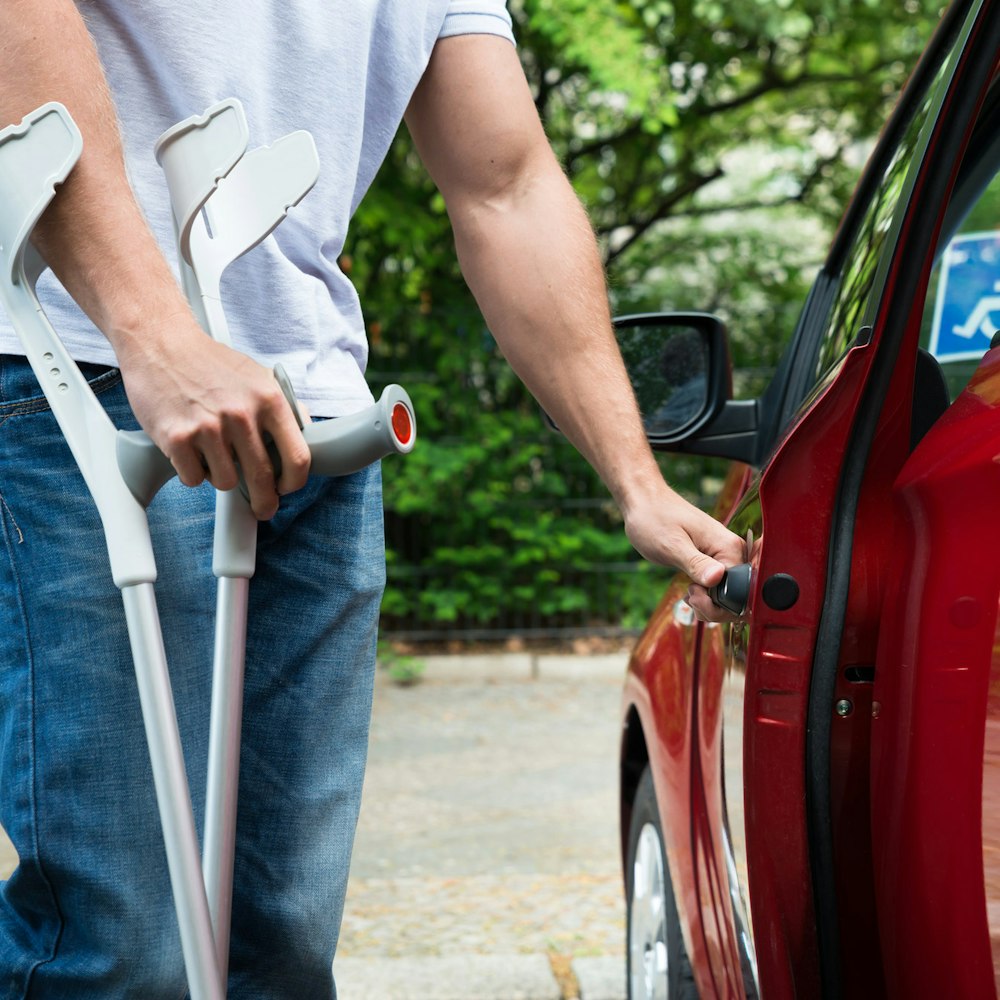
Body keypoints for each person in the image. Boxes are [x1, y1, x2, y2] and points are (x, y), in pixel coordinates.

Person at [0, 1, 744, 996]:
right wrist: (156, 334)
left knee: (280, 944)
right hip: (87, 373)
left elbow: (505, 185)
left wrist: (634, 476)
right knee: (125, 943)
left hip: (315, 420)